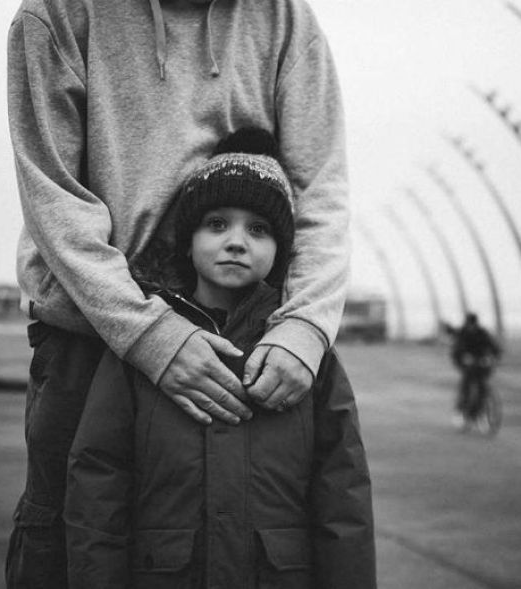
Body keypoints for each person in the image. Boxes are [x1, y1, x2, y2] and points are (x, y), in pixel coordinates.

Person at [5, 1, 350, 586]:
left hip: (242, 342)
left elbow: (320, 190)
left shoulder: (285, 19)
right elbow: (53, 193)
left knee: (253, 551)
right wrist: (147, 331)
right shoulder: (57, 12)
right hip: (89, 339)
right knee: (66, 551)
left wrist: (305, 328)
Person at [63, 129, 376, 588]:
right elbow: (97, 485)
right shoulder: (139, 348)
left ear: (280, 250)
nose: (236, 241)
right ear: (186, 241)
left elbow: (343, 498)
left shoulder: (310, 357)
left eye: (259, 229)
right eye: (216, 224)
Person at [446, 313, 501, 428]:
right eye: (470, 324)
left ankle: (478, 412)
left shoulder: (482, 333)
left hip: (481, 363)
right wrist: (464, 358)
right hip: (467, 364)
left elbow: (493, 346)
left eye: (474, 324)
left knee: (483, 387)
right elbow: (457, 351)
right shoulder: (462, 334)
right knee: (466, 385)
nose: (472, 327)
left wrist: (495, 355)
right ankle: (461, 410)